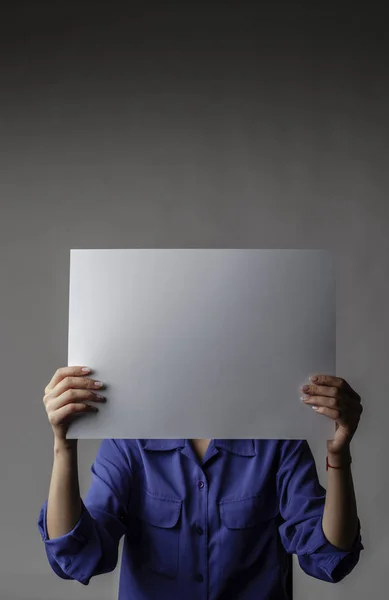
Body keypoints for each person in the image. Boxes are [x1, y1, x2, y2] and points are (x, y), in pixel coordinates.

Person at [38, 365, 364, 600]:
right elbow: (78, 555)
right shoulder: (130, 444)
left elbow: (327, 556)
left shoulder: (278, 443)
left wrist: (339, 455)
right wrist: (63, 445)